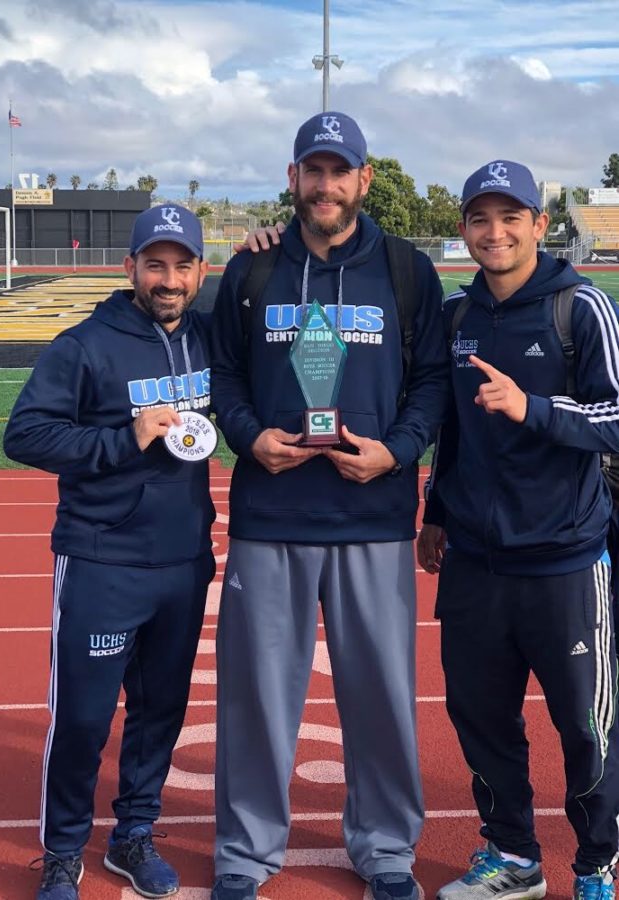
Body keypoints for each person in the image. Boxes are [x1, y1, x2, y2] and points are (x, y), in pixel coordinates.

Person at [209, 111, 449, 900]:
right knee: (254, 701)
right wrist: (249, 439)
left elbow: (432, 385)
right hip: (271, 515)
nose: (324, 185)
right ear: (292, 179)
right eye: (311, 170)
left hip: (373, 519)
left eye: (338, 170)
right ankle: (245, 855)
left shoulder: (408, 271)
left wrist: (397, 451)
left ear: (363, 180)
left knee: (380, 698)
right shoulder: (250, 274)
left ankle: (383, 849)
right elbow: (224, 380)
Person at [417, 160, 619, 900]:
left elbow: (617, 417)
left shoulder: (579, 309)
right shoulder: (455, 317)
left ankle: (595, 864)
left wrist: (533, 409)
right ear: (464, 227)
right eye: (479, 218)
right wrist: (434, 514)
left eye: (511, 217)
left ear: (539, 224)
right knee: (478, 715)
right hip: (474, 559)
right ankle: (512, 857)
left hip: (564, 560)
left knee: (585, 726)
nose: (493, 232)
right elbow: (449, 430)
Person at [4, 205, 215, 900]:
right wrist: (122, 437)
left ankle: (133, 834)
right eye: (155, 264)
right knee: (86, 718)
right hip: (101, 558)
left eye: (182, 265)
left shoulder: (210, 340)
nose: (169, 278)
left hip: (184, 563)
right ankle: (63, 851)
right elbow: (26, 436)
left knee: (160, 713)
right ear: (129, 269)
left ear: (200, 271)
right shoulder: (84, 345)